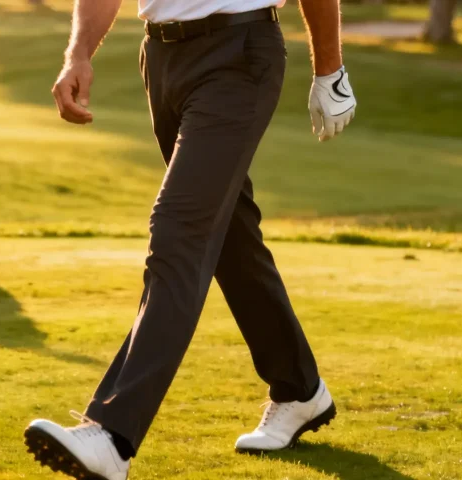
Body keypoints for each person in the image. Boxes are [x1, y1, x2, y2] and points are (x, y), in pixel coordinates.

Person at [22, 0, 357, 477]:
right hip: (161, 59)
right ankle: (299, 388)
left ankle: (112, 435)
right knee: (231, 239)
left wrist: (330, 71)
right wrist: (78, 54)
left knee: (178, 232)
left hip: (240, 53)